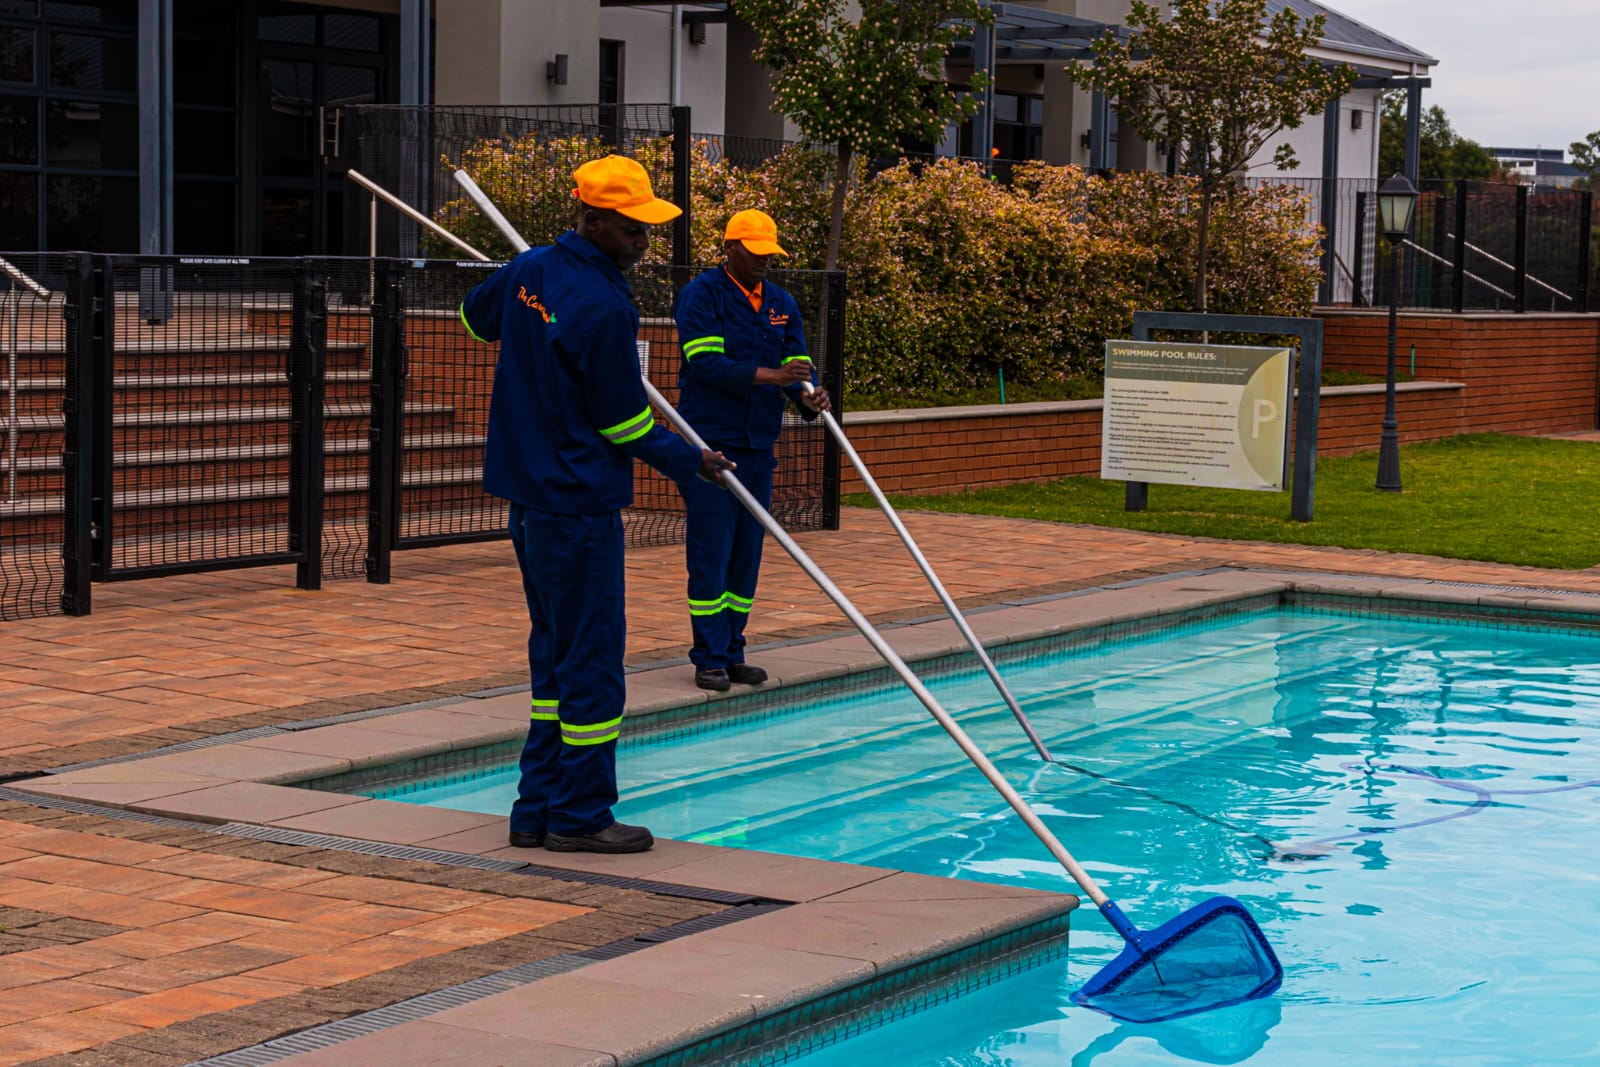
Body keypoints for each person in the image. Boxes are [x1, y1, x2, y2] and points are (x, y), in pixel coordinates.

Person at [460, 155, 731, 855]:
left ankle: (535, 809)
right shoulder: (606, 306)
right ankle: (579, 813)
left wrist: (524, 285)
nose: (645, 242)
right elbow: (624, 423)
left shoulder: (533, 271)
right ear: (595, 219)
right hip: (578, 507)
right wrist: (692, 461)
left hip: (528, 503)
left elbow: (473, 319)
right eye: (635, 229)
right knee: (591, 666)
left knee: (554, 657)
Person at [672, 209, 831, 692]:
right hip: (709, 445)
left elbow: (796, 362)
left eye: (770, 253)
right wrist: (777, 377)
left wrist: (808, 393)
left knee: (747, 550)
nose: (765, 261)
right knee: (712, 548)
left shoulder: (781, 302)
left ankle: (734, 649)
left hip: (758, 443)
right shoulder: (702, 295)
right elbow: (706, 364)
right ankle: (709, 655)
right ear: (731, 249)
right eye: (756, 252)